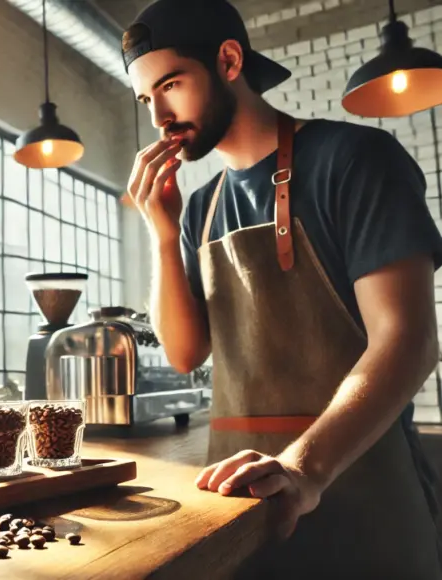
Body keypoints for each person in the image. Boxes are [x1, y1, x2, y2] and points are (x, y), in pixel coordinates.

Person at [122, 0, 442, 577]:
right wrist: (164, 236)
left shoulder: (356, 160)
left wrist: (303, 469)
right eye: (147, 99)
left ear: (227, 60)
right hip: (244, 507)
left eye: (170, 84)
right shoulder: (200, 207)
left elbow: (408, 340)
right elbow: (185, 353)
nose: (159, 117)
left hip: (364, 503)